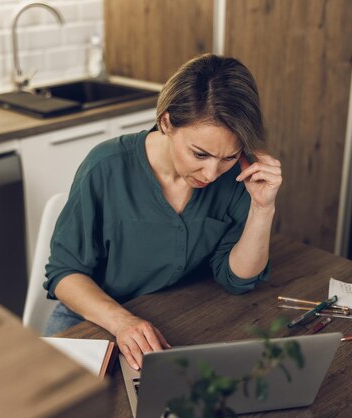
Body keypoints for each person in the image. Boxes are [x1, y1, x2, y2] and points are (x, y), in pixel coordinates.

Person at [43, 53, 282, 370]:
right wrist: (122, 322)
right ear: (167, 122)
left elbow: (237, 279)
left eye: (228, 157)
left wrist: (263, 209)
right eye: (199, 153)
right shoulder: (106, 167)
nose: (211, 173)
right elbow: (64, 273)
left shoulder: (238, 175)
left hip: (168, 318)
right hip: (92, 318)